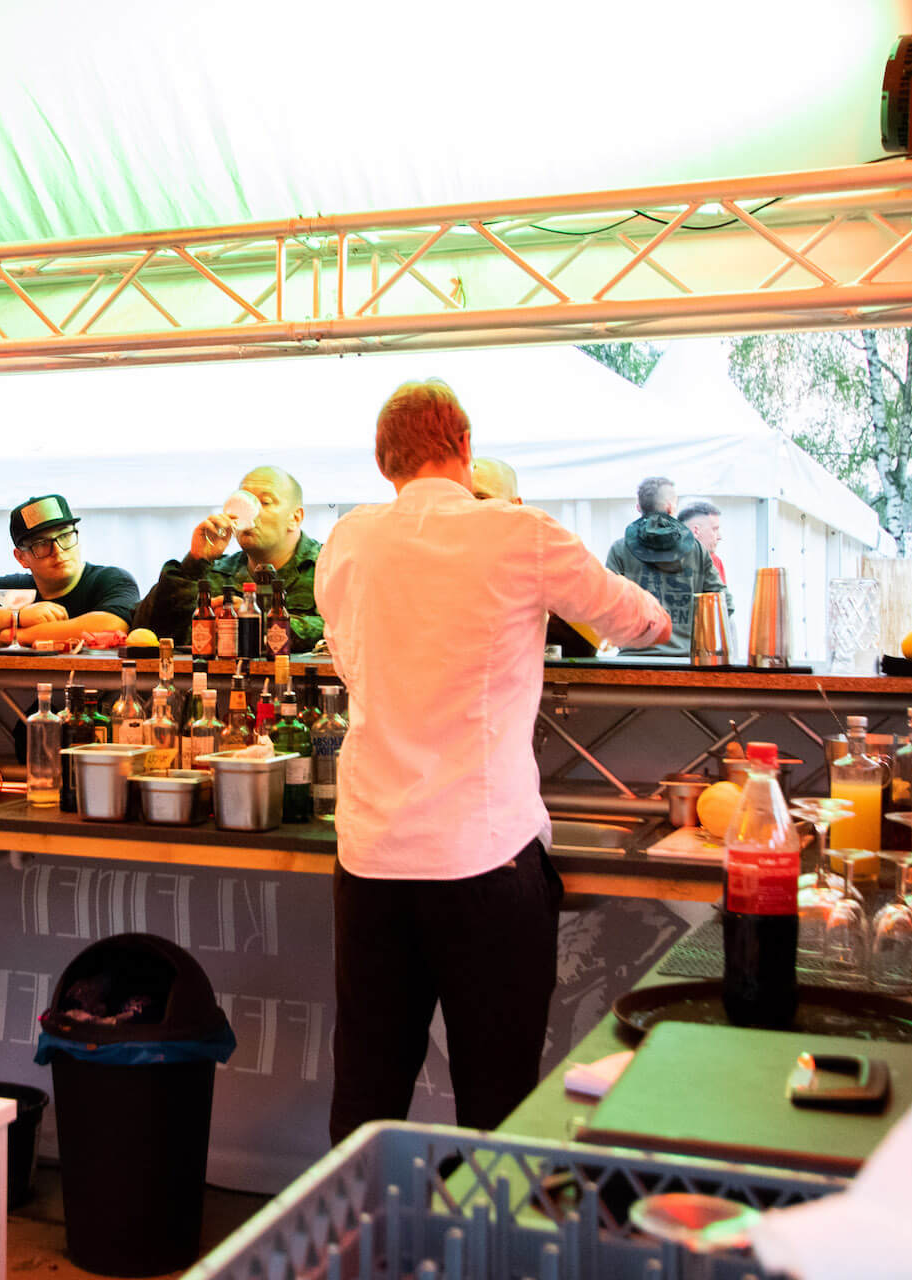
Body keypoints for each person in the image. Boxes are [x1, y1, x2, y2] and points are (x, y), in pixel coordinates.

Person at [315, 379, 668, 1143]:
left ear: (386, 464)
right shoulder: (519, 532)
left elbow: (350, 661)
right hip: (482, 862)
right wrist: (662, 612)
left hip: (371, 861)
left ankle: (352, 1248)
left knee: (367, 1090)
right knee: (495, 1095)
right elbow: (633, 619)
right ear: (466, 450)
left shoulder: (348, 540)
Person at [131, 465, 325, 649]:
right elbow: (145, 630)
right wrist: (194, 562)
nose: (250, 513)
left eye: (264, 503)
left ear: (296, 517)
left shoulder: (328, 567)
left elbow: (339, 628)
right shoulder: (216, 571)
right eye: (244, 502)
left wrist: (255, 622)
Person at [0, 496, 139, 645]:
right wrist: (17, 616)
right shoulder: (11, 590)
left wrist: (16, 636)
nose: (58, 551)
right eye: (42, 544)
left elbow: (113, 625)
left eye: (65, 535)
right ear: (21, 557)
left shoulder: (112, 580)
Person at [603, 476, 724, 658]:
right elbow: (722, 605)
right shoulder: (697, 550)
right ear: (670, 507)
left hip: (631, 663)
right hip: (685, 663)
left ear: (639, 507)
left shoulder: (620, 550)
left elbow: (606, 607)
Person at [677, 499, 727, 584]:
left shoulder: (715, 561)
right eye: (714, 529)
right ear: (696, 531)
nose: (719, 537)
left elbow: (722, 596)